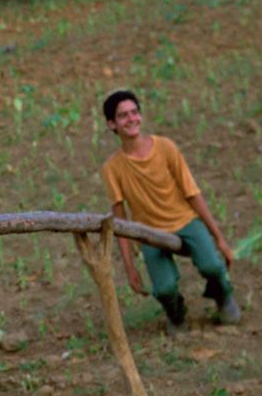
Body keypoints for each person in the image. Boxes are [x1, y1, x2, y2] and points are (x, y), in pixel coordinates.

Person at [99, 89, 240, 335]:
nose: (131, 119)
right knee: (164, 289)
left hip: (185, 221)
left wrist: (219, 238)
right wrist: (130, 268)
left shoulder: (165, 148)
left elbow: (192, 193)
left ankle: (223, 297)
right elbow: (120, 220)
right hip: (149, 233)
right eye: (123, 115)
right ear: (112, 124)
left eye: (135, 112)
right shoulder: (112, 168)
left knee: (212, 267)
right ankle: (176, 314)